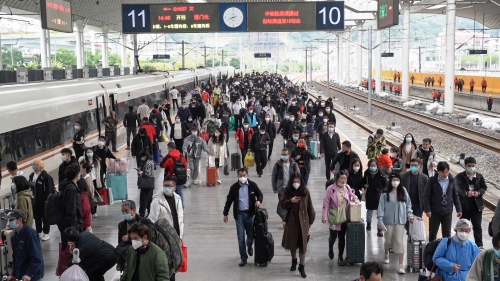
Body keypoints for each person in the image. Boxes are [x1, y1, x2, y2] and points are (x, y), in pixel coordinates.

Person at [223, 168, 264, 267]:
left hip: (250, 215)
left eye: (244, 175)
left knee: (250, 236)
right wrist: (225, 213)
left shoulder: (252, 185)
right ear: (237, 176)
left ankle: (249, 246)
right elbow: (229, 201)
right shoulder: (234, 188)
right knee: (241, 238)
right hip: (239, 215)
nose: (242, 177)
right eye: (240, 175)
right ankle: (243, 258)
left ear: (247, 176)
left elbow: (260, 194)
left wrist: (259, 201)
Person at [280, 173, 315, 278]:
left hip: (303, 223)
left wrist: (310, 222)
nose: (296, 184)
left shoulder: (305, 192)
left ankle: (302, 266)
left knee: (303, 245)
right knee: (293, 243)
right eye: (294, 182)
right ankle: (294, 260)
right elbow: (281, 204)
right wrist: (290, 201)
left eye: (298, 182)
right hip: (292, 222)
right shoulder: (288, 191)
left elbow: (310, 207)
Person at [377, 173, 414, 274]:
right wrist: (380, 221)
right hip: (388, 221)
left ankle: (400, 265)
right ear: (390, 181)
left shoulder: (403, 191)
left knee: (399, 241)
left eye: (398, 179)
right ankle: (386, 252)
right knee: (388, 240)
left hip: (400, 221)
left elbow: (408, 204)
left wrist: (409, 214)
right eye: (394, 179)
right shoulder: (385, 194)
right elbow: (380, 208)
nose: (396, 182)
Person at [322, 170, 358, 265]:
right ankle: (331, 246)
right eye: (341, 178)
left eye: (345, 178)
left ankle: (340, 257)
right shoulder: (330, 189)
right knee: (333, 236)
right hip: (334, 217)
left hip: (344, 217)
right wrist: (324, 216)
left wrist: (354, 197)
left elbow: (351, 194)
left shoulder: (347, 187)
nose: (343, 180)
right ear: (337, 178)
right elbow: (326, 204)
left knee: (342, 238)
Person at [423, 161, 463, 242]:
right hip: (435, 211)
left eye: (446, 172)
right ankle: (432, 250)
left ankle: (446, 250)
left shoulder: (452, 180)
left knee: (446, 233)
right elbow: (426, 196)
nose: (445, 174)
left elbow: (455, 195)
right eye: (442, 172)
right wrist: (428, 209)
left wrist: (459, 209)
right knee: (433, 232)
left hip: (447, 211)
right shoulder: (432, 180)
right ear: (438, 171)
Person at [455, 157, 487, 249]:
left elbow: (484, 187)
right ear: (465, 166)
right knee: (463, 226)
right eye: (469, 166)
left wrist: (479, 193)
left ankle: (479, 246)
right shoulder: (460, 177)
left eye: (473, 166)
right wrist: (466, 193)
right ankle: (461, 243)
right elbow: (456, 189)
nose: (471, 168)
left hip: (477, 206)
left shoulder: (479, 177)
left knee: (477, 226)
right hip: (464, 206)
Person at [4, 209, 44, 281]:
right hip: (22, 275)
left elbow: (36, 257)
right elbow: (16, 257)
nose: (9, 222)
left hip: (32, 276)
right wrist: (14, 274)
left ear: (20, 220)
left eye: (11, 220)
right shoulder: (14, 236)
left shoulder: (30, 234)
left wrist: (29, 274)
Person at [57, 163, 83, 250]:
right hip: (70, 225)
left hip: (64, 223)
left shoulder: (65, 185)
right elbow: (71, 209)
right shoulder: (71, 189)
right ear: (76, 175)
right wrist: (74, 228)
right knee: (72, 248)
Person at [28, 159, 55, 241]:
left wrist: (44, 199)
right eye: (34, 164)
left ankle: (46, 233)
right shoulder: (31, 176)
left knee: (45, 218)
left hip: (44, 202)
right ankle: (39, 232)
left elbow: (48, 190)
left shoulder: (46, 177)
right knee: (37, 218)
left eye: (36, 165)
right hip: (34, 202)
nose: (35, 166)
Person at [401, 159, 428, 230]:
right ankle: (408, 235)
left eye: (415, 165)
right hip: (407, 204)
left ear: (420, 166)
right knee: (407, 222)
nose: (413, 167)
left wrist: (426, 206)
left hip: (419, 204)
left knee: (417, 222)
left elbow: (427, 192)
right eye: (411, 165)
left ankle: (414, 238)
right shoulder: (404, 176)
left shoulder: (424, 178)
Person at [160, 142, 188, 208]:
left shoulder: (169, 157)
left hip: (170, 178)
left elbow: (162, 165)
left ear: (170, 148)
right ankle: (181, 208)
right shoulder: (181, 156)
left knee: (169, 193)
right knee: (179, 192)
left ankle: (171, 207)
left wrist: (163, 159)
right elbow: (185, 166)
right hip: (180, 177)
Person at [364, 159, 387, 236]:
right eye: (371, 166)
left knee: (379, 212)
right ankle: (368, 224)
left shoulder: (381, 173)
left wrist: (382, 191)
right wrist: (364, 185)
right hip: (370, 194)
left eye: (374, 165)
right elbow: (363, 181)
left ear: (377, 165)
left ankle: (379, 228)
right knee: (369, 211)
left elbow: (385, 184)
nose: (373, 167)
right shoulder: (366, 173)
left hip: (379, 195)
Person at [136, 151, 155, 217]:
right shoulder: (151, 161)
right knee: (149, 199)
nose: (142, 158)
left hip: (146, 184)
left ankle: (142, 213)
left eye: (142, 156)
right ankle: (150, 212)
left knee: (143, 199)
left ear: (145, 156)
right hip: (151, 183)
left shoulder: (147, 163)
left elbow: (146, 174)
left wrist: (140, 172)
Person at [81, 162, 95, 231]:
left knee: (88, 225)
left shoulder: (88, 179)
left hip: (87, 203)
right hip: (86, 202)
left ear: (84, 169)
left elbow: (90, 192)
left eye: (80, 168)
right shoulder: (83, 178)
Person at [79, 165, 92, 233]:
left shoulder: (83, 196)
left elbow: (85, 209)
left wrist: (78, 214)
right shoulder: (85, 194)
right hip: (85, 221)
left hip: (84, 222)